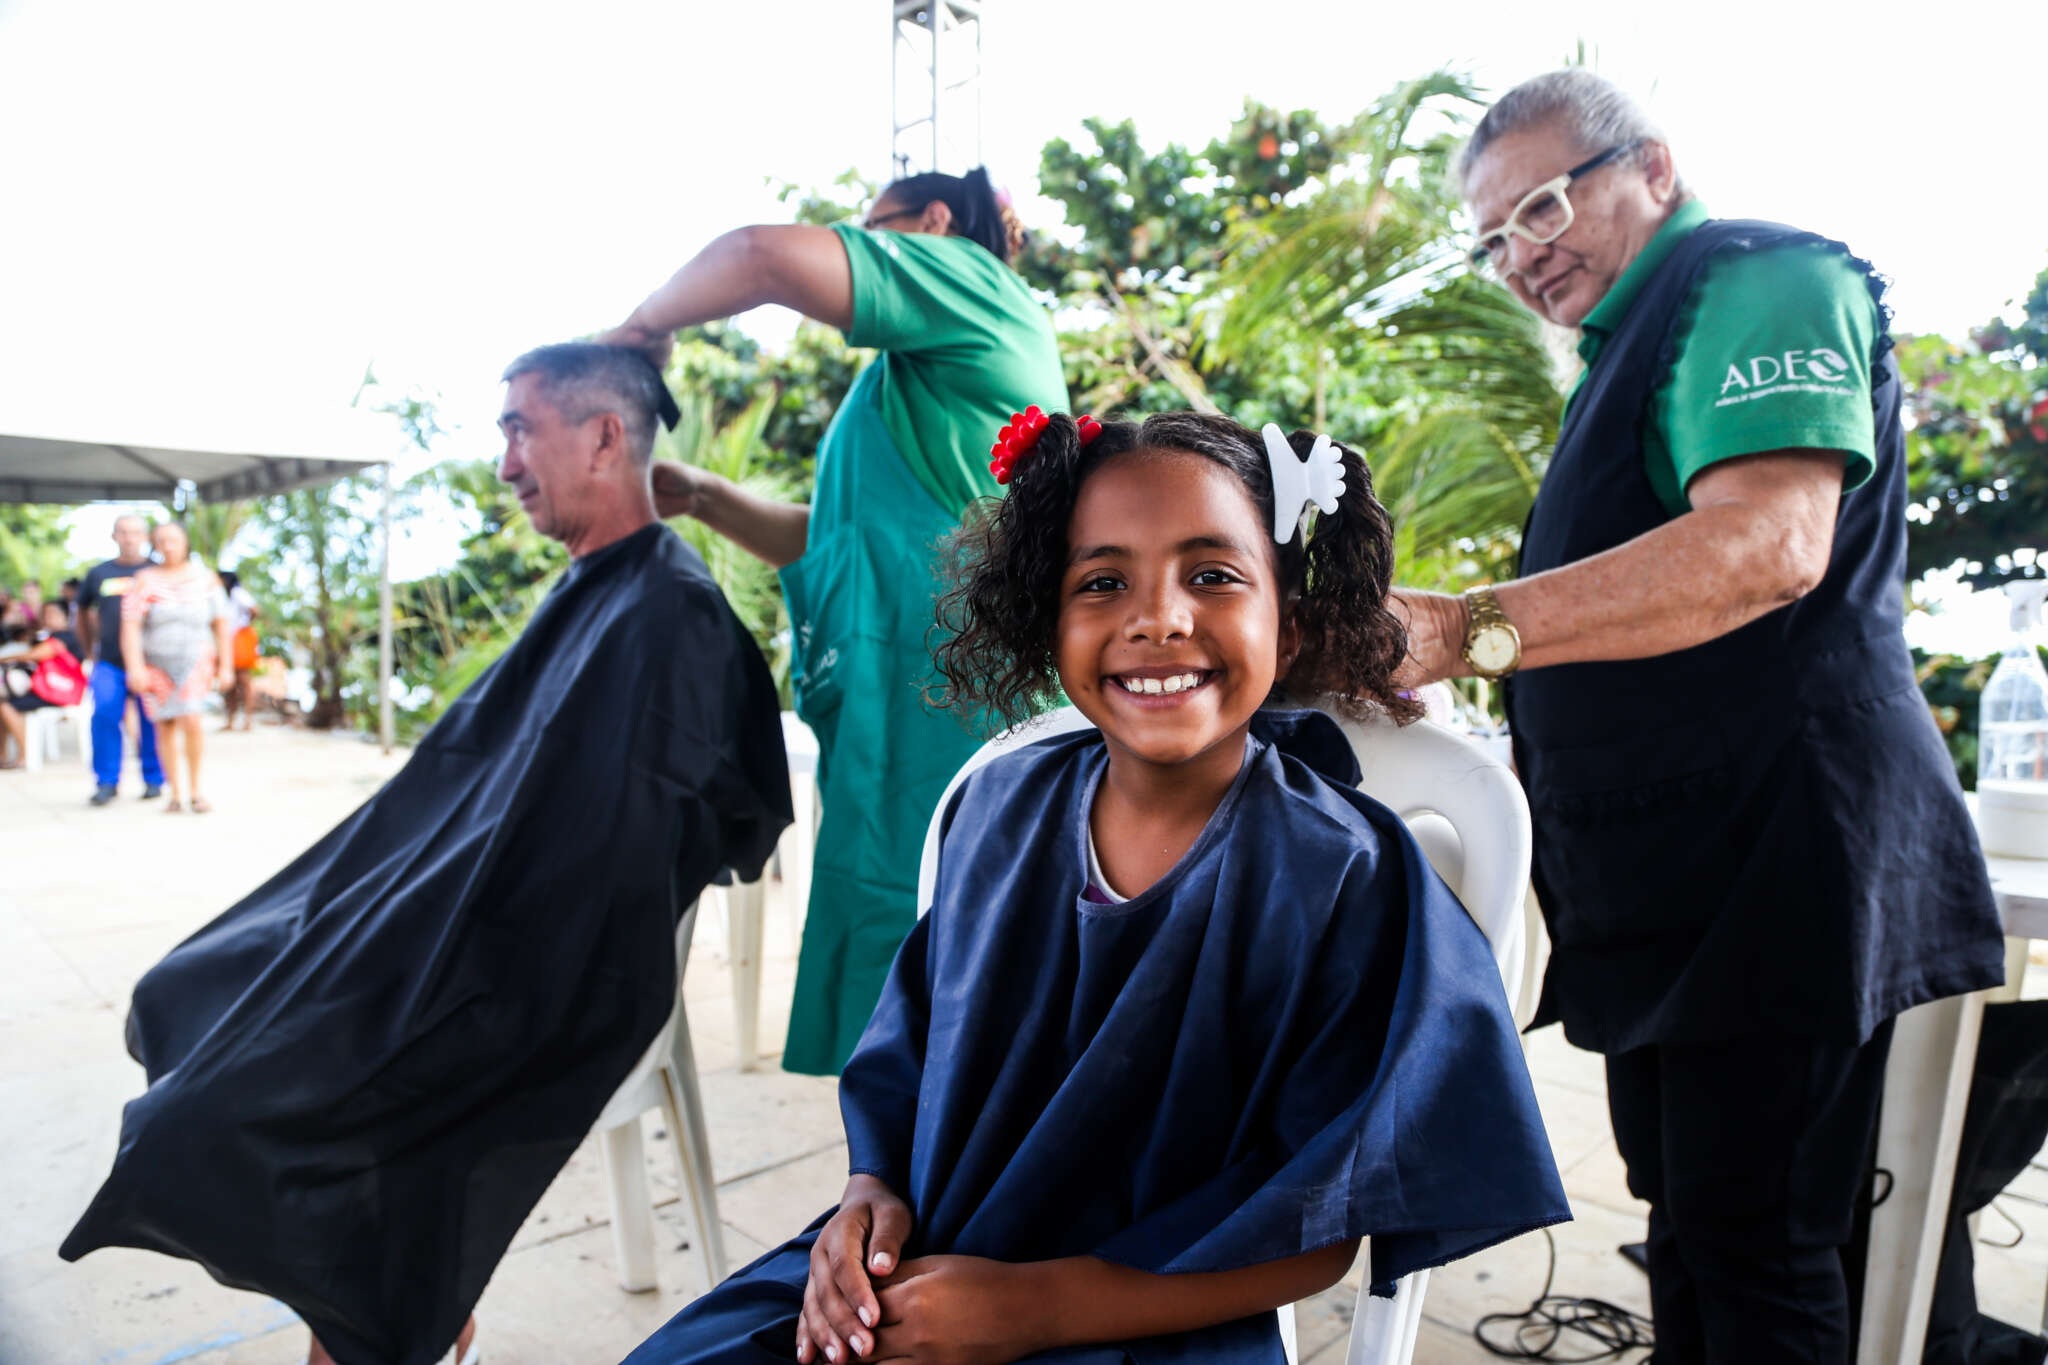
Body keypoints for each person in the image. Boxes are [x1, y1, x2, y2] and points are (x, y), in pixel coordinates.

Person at [621, 409, 1571, 1365]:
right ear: (1048, 613)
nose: (1156, 617)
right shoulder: (996, 807)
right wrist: (867, 1201)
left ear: (1289, 619)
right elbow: (906, 1071)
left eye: (1212, 574)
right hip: (923, 1280)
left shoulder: (1341, 874)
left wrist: (1030, 1312)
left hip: (1150, 1325)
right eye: (1104, 581)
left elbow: (1317, 1231)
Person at [1392, 69, 2006, 1363]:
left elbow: (1770, 545)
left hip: (1781, 856)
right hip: (1670, 881)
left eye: (1544, 208)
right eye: (1494, 236)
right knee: (1691, 1229)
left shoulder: (1761, 278)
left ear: (1652, 168)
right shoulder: (1624, 350)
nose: (1520, 257)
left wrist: (1463, 625)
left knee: (1768, 1245)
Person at [62, 343, 795, 1365]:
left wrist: (413, 940)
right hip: (461, 924)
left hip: (529, 965)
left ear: (602, 436)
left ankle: (378, 1329)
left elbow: (600, 862)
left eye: (517, 430)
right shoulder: (597, 591)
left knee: (229, 1111)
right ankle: (401, 1315)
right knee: (188, 987)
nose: (503, 465)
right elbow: (467, 797)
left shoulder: (667, 613)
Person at [599, 166, 1066, 1075]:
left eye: (874, 227)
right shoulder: (904, 385)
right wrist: (698, 493)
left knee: (971, 1010)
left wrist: (641, 326)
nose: (864, 244)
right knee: (905, 1033)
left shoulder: (970, 282)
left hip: (956, 711)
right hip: (893, 722)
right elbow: (835, 543)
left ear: (933, 222)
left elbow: (760, 256)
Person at [120, 522, 231, 813]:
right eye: (162, 541)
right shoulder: (143, 579)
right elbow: (131, 627)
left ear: (185, 542)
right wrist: (135, 667)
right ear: (155, 545)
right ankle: (175, 793)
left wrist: (227, 665)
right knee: (165, 725)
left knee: (192, 719)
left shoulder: (206, 578)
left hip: (196, 659)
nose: (168, 545)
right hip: (156, 662)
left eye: (174, 540)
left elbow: (221, 625)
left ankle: (196, 790)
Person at [77, 514, 165, 805]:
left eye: (135, 532)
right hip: (110, 661)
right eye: (124, 532)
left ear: (145, 537)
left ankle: (154, 778)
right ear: (114, 536)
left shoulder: (156, 572)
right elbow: (82, 611)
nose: (129, 538)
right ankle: (106, 781)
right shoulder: (99, 573)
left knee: (152, 719)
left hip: (150, 661)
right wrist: (89, 650)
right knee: (103, 715)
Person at [0, 599, 86, 769]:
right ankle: (4, 754)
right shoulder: (51, 636)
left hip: (61, 692)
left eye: (53, 614)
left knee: (6, 706)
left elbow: (35, 654)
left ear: (65, 616)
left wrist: (6, 658)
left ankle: (24, 756)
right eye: (46, 614)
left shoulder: (65, 637)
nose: (48, 618)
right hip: (53, 690)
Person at [218, 567, 261, 732]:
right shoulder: (224, 596)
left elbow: (254, 609)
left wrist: (244, 624)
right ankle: (231, 720)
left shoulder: (237, 592)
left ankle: (248, 720)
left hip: (240, 639)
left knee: (243, 679)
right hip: (228, 640)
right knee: (230, 682)